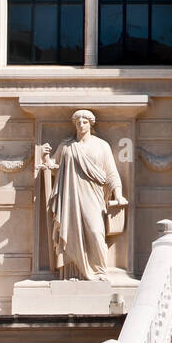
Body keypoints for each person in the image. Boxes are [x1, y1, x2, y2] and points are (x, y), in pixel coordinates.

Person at [44, 110, 127, 281]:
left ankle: (99, 272)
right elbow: (55, 167)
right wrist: (45, 157)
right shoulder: (67, 146)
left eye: (85, 122)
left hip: (94, 196)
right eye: (78, 122)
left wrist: (118, 194)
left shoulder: (102, 146)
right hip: (71, 196)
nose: (81, 125)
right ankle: (74, 273)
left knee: (96, 231)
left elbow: (111, 172)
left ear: (91, 123)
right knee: (71, 230)